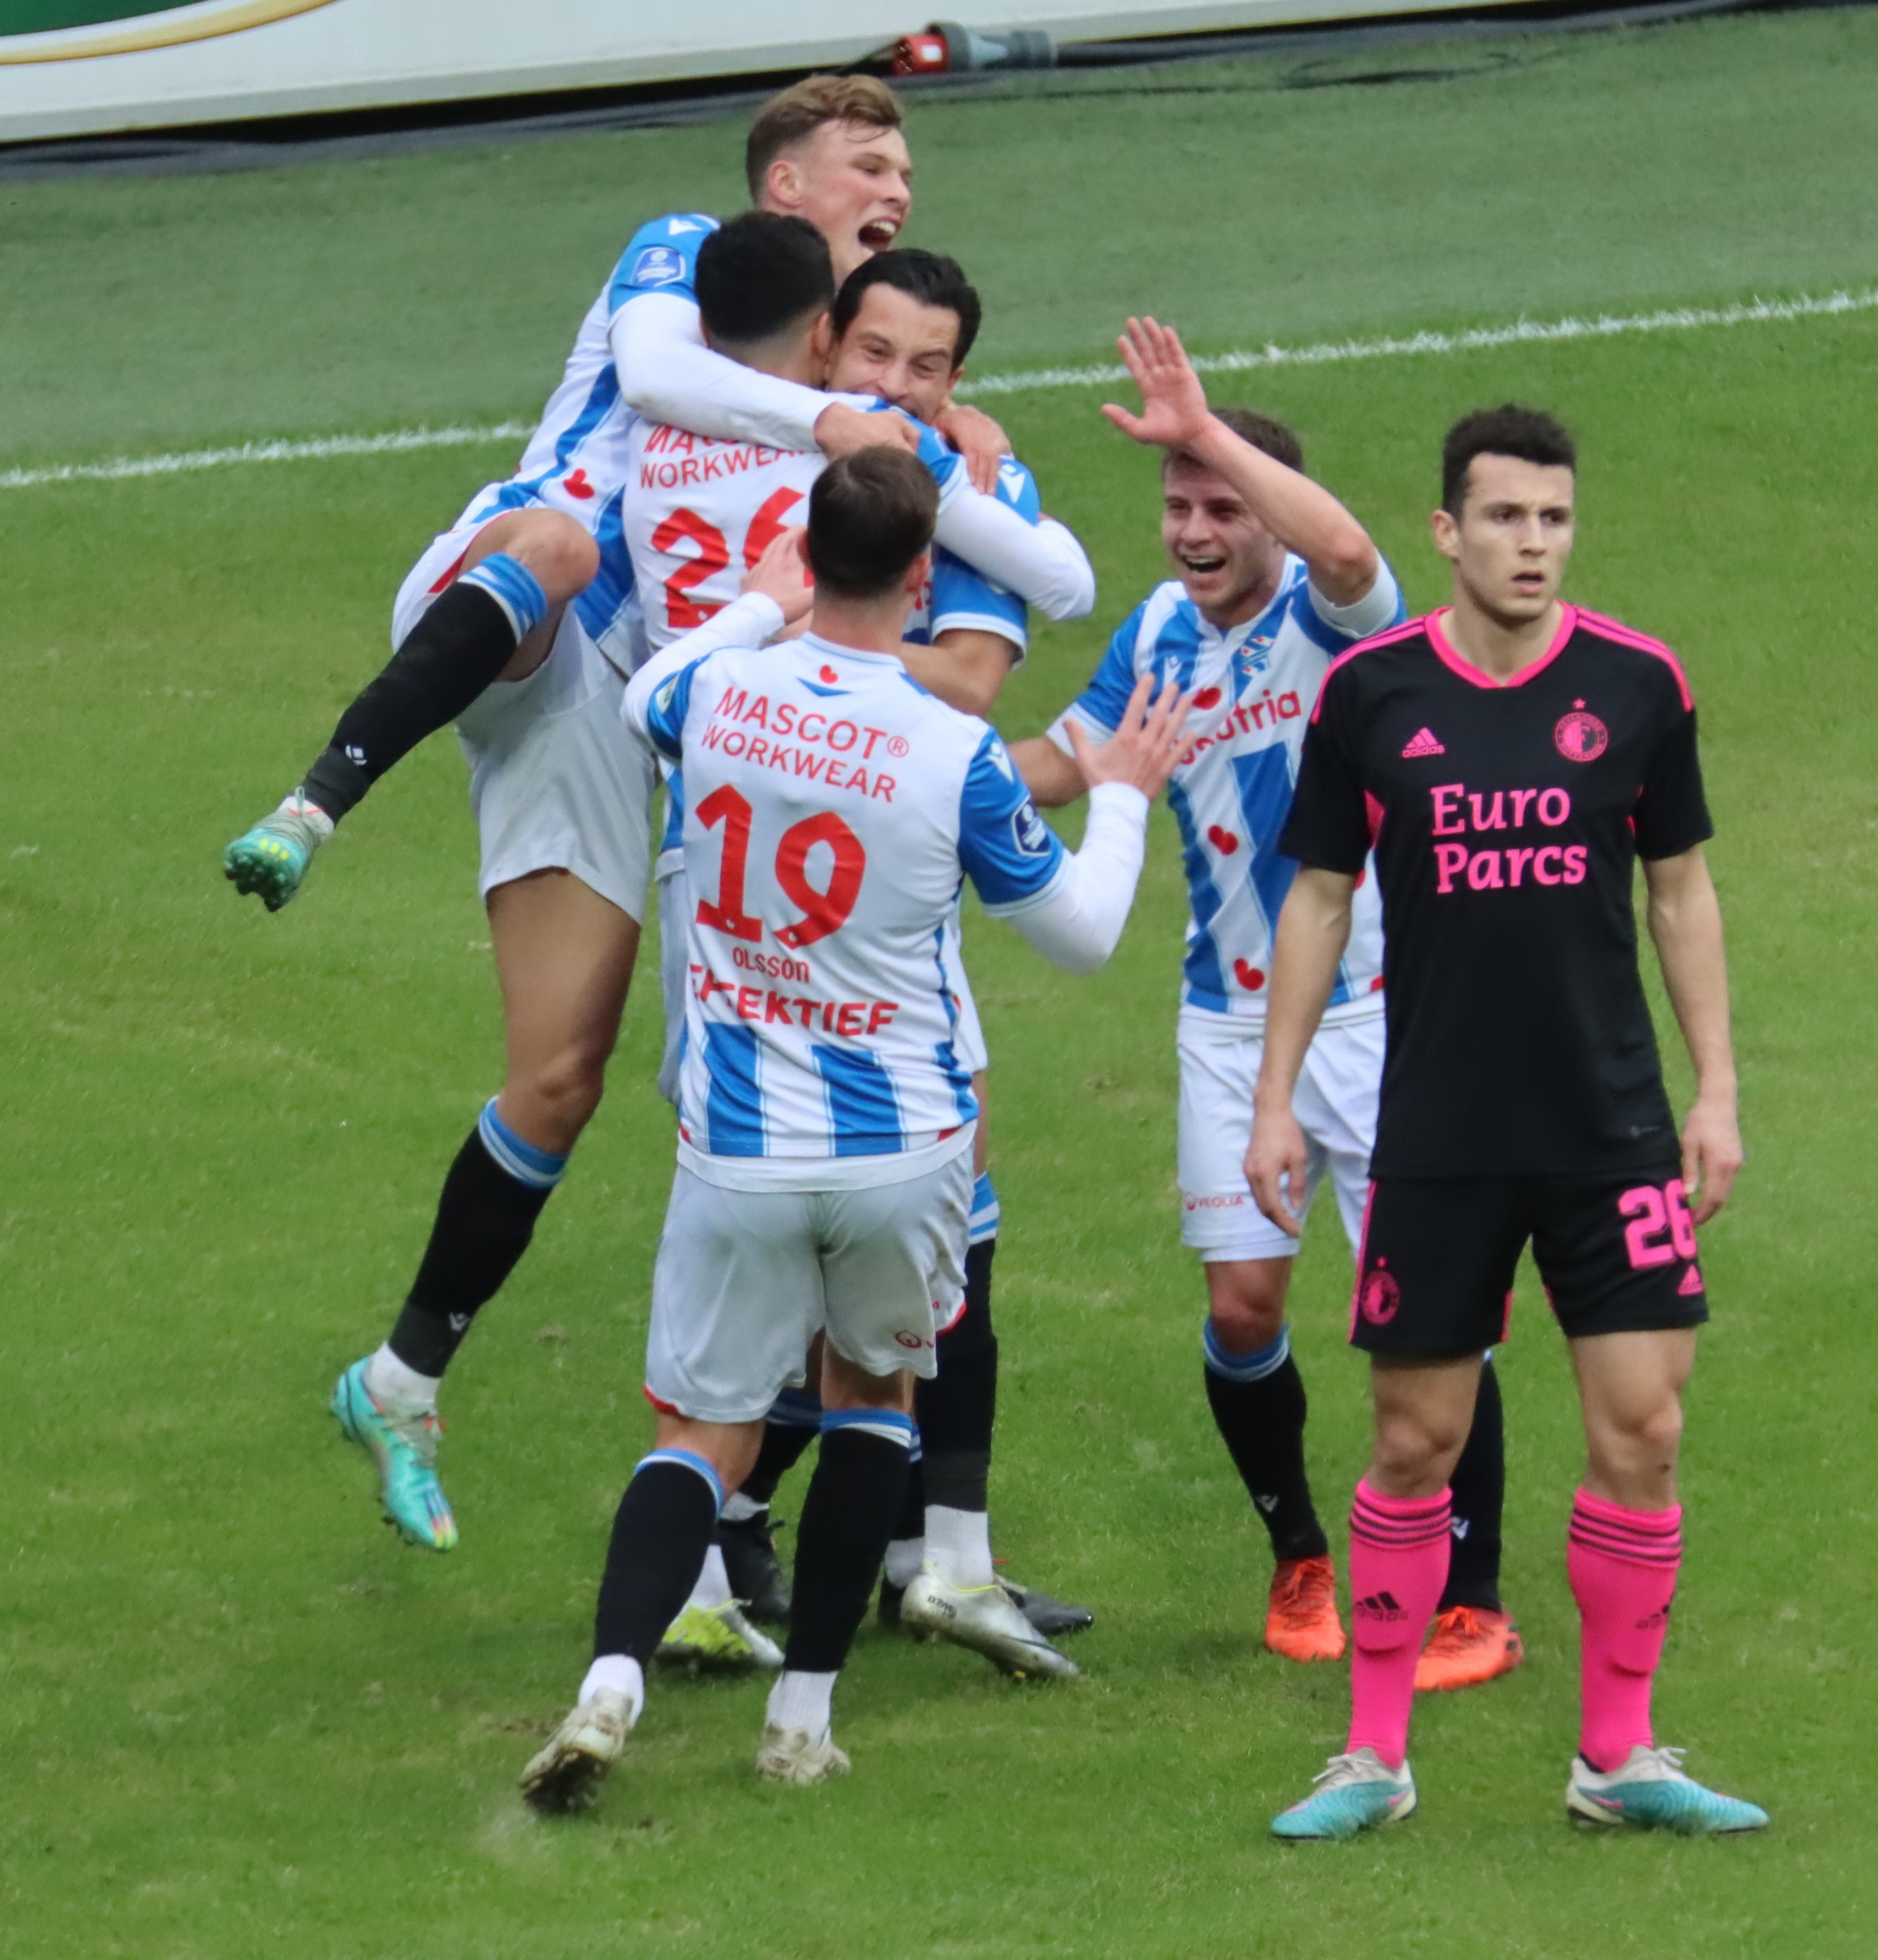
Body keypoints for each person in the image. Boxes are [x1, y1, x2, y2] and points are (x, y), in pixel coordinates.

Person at [214, 76, 996, 1555]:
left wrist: (955, 456)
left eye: (906, 164)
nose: (896, 183)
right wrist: (843, 414)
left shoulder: (876, 366)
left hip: (634, 708)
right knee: (568, 539)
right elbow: (653, 376)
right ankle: (316, 802)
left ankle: (400, 1379)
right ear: (785, 184)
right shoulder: (685, 255)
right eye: (867, 161)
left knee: (563, 1075)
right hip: (508, 590)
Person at [516, 448, 1187, 1808]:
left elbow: (648, 687)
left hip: (739, 1144)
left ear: (805, 554)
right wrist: (1121, 788)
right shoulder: (953, 752)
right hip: (905, 1147)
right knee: (873, 1399)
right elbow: (1081, 933)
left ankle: (610, 1684)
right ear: (928, 578)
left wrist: (755, 606)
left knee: (699, 1432)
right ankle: (802, 1717)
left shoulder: (711, 690)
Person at [1254, 405, 1767, 1840]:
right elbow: (1316, 897)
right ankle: (1372, 1755)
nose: (1531, 543)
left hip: (1609, 1127)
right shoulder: (1370, 695)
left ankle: (1620, 1755)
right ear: (1447, 531)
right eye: (1504, 518)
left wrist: (1714, 1089)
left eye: (1552, 518)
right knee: (1416, 1437)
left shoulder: (1640, 684)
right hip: (1438, 1128)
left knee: (1645, 1427)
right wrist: (1276, 1096)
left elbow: (1681, 891)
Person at [610, 216, 1097, 1669]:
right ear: (824, 347)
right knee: (787, 1235)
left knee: (951, 1224)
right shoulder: (755, 461)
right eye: (872, 348)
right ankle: (728, 1555)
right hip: (740, 913)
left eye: (929, 367)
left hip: (893, 915)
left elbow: (971, 668)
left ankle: (933, 1551)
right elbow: (932, 684)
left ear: (955, 384)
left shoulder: (948, 487)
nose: (895, 377)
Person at [1009, 322, 1520, 1688]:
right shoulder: (1157, 633)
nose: (1193, 526)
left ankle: (1471, 1595)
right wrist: (906, 760)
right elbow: (1070, 760)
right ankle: (1300, 1553)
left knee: (1427, 1306)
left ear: (1266, 512)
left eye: (1220, 503)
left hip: (1385, 1009)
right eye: (1176, 504)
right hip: (1226, 1026)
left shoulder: (1332, 618)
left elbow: (1348, 552)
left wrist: (1210, 433)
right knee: (1244, 1308)